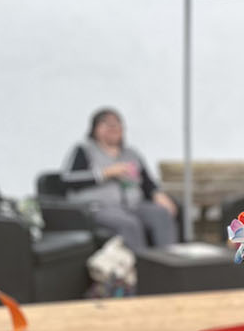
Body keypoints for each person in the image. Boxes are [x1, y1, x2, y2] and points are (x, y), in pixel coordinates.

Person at [59, 108, 178, 253]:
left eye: (117, 124)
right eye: (107, 124)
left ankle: (168, 260)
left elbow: (147, 181)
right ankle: (140, 264)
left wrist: (157, 194)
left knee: (161, 214)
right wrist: (105, 173)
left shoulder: (131, 154)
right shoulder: (84, 150)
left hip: (133, 205)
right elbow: (67, 180)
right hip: (99, 208)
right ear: (95, 129)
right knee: (129, 224)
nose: (113, 128)